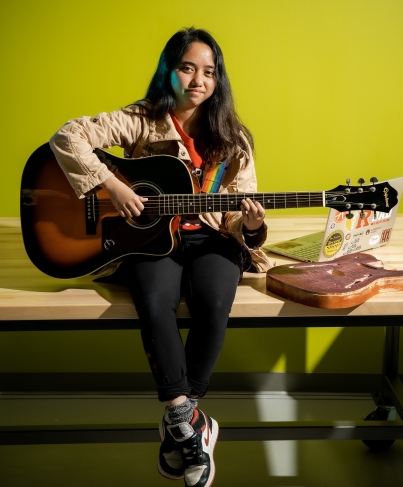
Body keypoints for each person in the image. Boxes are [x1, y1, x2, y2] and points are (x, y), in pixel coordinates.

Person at [50, 27, 272, 487]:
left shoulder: (234, 138)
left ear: (219, 79)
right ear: (169, 71)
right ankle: (189, 421)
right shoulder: (141, 119)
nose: (198, 80)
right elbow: (68, 136)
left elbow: (235, 214)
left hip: (212, 238)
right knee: (155, 302)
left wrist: (249, 227)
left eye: (209, 72)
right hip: (148, 240)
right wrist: (112, 185)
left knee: (213, 301)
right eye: (188, 68)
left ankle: (179, 424)